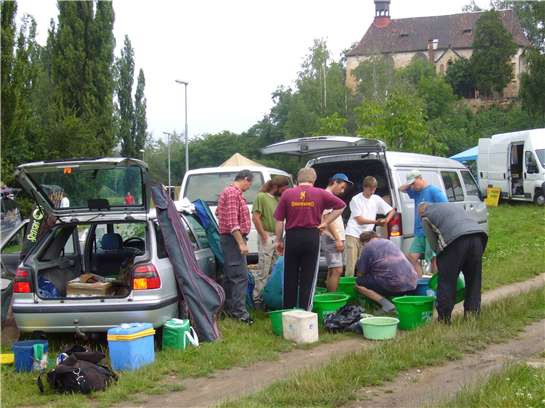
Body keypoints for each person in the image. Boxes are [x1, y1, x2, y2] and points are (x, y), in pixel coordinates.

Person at [274, 168, 346, 311]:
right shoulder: (320, 193)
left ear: (298, 179)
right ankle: (305, 310)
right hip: (311, 236)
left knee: (290, 275)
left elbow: (279, 220)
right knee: (309, 276)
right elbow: (341, 206)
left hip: (292, 236)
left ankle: (288, 310)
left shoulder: (287, 194)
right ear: (313, 180)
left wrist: (278, 241)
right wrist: (325, 223)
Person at [419, 202, 488, 323]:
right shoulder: (450, 207)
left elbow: (433, 243)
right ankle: (472, 316)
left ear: (421, 212)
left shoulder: (425, 216)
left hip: (456, 241)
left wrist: (442, 262)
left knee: (447, 281)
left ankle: (444, 319)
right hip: (479, 237)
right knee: (474, 280)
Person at [216, 170, 254, 324]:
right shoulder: (232, 193)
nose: (249, 186)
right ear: (245, 179)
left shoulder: (231, 193)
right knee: (239, 277)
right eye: (250, 183)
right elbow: (232, 222)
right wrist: (241, 243)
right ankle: (240, 314)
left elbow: (219, 212)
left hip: (230, 239)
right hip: (233, 240)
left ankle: (229, 309)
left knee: (231, 276)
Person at [354, 231, 418, 313]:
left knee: (359, 282)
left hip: (395, 285)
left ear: (364, 242)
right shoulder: (389, 242)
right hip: (412, 283)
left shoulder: (368, 246)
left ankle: (387, 305)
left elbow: (360, 273)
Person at [398, 170, 447, 276]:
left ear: (420, 178)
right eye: (411, 184)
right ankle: (420, 282)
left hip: (431, 231)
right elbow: (400, 189)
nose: (413, 187)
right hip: (419, 232)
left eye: (414, 183)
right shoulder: (416, 192)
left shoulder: (434, 191)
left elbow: (445, 208)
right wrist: (410, 184)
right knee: (411, 257)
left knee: (434, 259)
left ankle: (438, 284)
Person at [344, 176, 395, 277]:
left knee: (365, 265)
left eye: (374, 189)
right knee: (351, 265)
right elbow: (359, 220)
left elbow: (392, 210)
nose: (372, 191)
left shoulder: (376, 199)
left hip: (367, 237)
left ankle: (362, 286)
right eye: (370, 189)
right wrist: (377, 222)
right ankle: (348, 285)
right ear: (364, 187)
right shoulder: (356, 199)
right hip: (353, 233)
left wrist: (386, 220)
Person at [251, 176, 290, 306]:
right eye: (283, 188)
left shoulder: (278, 199)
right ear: (276, 187)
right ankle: (257, 298)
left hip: (277, 236)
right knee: (263, 268)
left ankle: (269, 297)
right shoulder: (261, 197)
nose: (285, 191)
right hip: (267, 235)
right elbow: (256, 217)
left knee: (274, 268)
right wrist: (263, 235)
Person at [321, 173, 352, 292]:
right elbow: (329, 219)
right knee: (337, 270)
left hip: (332, 237)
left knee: (332, 269)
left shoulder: (328, 196)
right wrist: (338, 239)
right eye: (342, 187)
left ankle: (328, 295)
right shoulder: (327, 196)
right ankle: (332, 299)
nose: (343, 191)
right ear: (335, 182)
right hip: (331, 238)